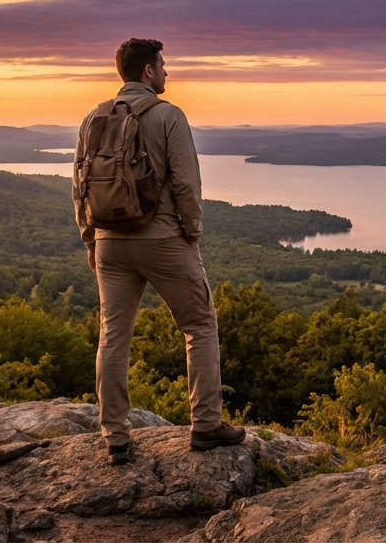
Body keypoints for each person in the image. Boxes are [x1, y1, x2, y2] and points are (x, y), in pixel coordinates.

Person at [74, 38, 246, 466]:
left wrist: (90, 239)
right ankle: (206, 425)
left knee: (113, 336)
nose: (167, 72)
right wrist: (193, 233)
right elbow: (187, 183)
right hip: (164, 239)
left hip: (110, 241)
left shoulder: (93, 118)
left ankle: (114, 435)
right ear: (148, 71)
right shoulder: (169, 115)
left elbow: (80, 185)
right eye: (163, 65)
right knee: (200, 326)